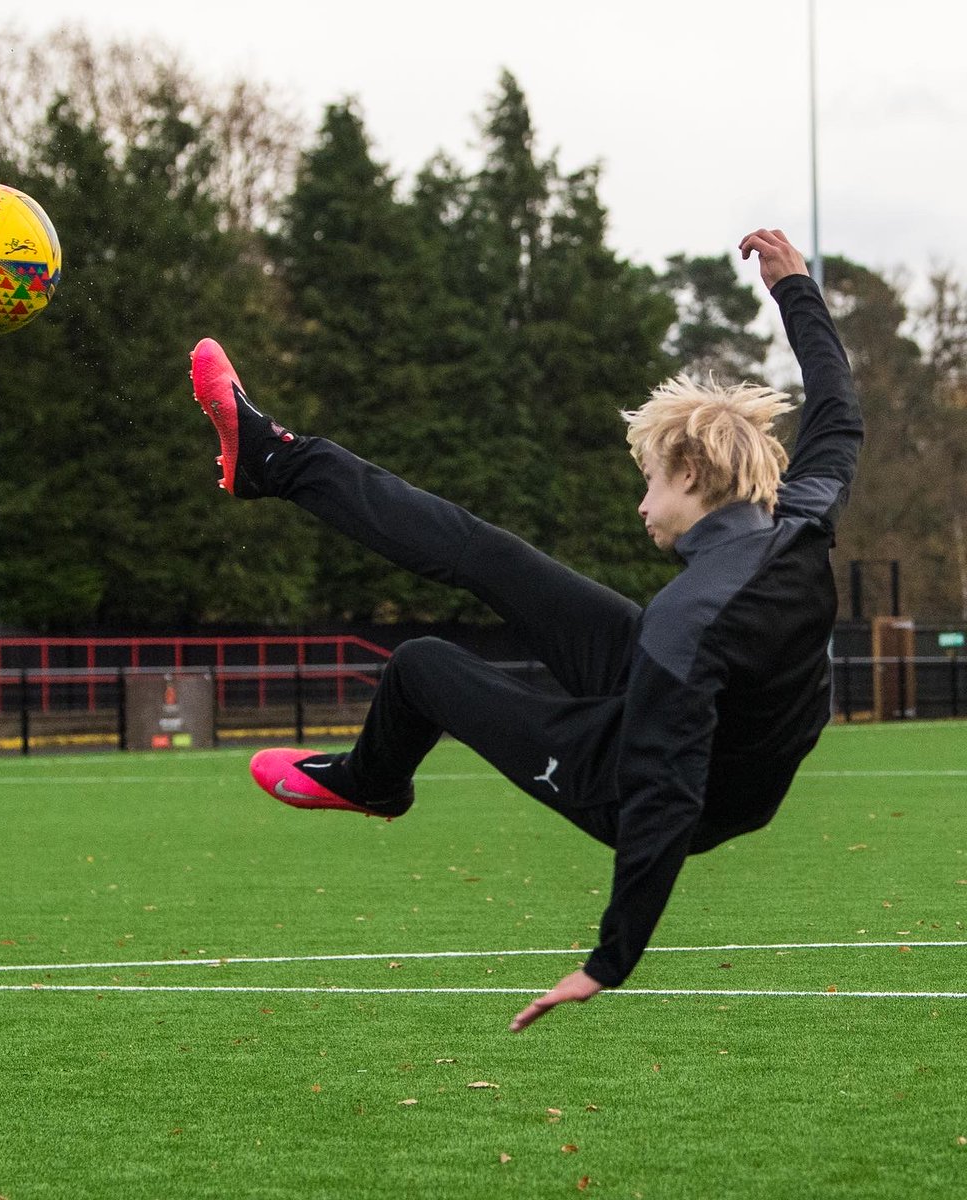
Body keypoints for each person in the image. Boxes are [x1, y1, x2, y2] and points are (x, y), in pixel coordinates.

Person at [189, 227, 862, 1032]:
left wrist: (608, 960)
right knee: (489, 555)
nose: (642, 505)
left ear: (688, 475)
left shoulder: (688, 624)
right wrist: (796, 289)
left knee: (421, 667)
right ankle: (276, 460)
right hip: (695, 709)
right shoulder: (803, 514)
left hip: (658, 786)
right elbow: (837, 408)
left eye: (648, 482)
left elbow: (664, 798)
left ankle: (374, 782)